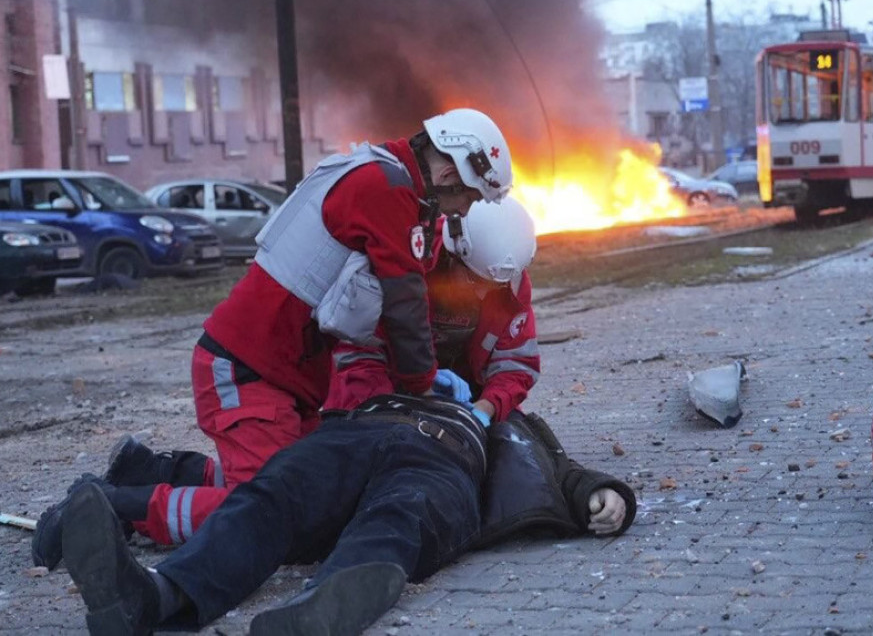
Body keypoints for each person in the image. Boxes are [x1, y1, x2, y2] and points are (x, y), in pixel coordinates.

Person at [30, 108, 514, 570]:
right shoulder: (386, 190)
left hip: (282, 377)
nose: (463, 211)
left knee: (314, 490)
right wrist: (423, 387)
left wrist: (413, 382)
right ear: (453, 174)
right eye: (470, 199)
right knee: (270, 511)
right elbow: (404, 304)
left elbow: (386, 311)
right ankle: (109, 509)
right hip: (248, 370)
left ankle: (151, 473)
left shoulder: (386, 180)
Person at [60, 393, 636, 635]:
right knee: (269, 496)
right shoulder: (384, 357)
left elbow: (554, 465)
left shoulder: (506, 411)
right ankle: (153, 598)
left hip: (443, 464)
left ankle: (323, 606)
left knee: (399, 515)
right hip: (352, 438)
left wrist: (601, 493)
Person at [326, 195, 540, 426]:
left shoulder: (506, 279)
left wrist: (486, 408)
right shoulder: (401, 264)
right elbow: (357, 357)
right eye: (474, 280)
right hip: (384, 394)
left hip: (467, 403)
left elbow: (516, 365)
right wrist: (412, 393)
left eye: (493, 286)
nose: (482, 293)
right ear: (452, 254)